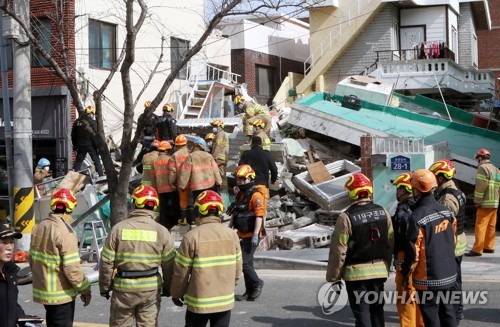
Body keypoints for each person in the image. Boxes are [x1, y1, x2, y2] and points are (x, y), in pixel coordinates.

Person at [99, 185, 175, 327]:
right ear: (155, 205)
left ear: (134, 203)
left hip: (123, 290)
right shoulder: (162, 231)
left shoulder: (118, 229)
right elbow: (169, 265)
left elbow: (106, 262)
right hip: (150, 289)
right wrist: (168, 288)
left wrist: (105, 287)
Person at [326, 172, 393, 327]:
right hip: (379, 272)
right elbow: (390, 243)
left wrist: (334, 277)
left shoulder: (346, 217)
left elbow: (338, 250)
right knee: (377, 310)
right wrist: (385, 267)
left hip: (356, 275)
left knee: (362, 313)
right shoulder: (383, 212)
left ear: (351, 193)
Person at [171, 190, 242, 327]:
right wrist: (229, 288)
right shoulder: (232, 235)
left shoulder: (191, 237)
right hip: (224, 301)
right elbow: (238, 269)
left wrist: (176, 293)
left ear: (199, 211)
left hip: (198, 302)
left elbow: (181, 272)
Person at [402, 169, 457, 327]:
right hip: (448, 274)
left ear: (416, 190)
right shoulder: (446, 211)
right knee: (448, 312)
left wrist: (406, 274)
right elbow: (452, 241)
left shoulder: (417, 217)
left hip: (428, 279)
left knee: (431, 318)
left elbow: (413, 253)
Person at [30, 188, 92, 327]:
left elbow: (32, 260)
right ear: (69, 208)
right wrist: (85, 289)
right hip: (61, 295)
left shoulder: (39, 227)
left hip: (44, 292)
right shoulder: (65, 232)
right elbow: (72, 269)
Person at [429, 160, 467, 323]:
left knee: (452, 282)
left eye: (435, 177)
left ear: (442, 178)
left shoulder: (447, 197)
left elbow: (444, 224)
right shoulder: (456, 191)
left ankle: (455, 314)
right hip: (459, 241)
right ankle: (456, 311)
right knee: (455, 279)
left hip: (453, 244)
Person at [390, 173, 423, 327]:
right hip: (421, 257)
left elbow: (402, 238)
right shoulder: (420, 206)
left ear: (403, 190)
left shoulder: (402, 211)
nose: (397, 192)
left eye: (398, 188)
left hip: (404, 256)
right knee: (419, 295)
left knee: (405, 296)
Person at [229, 165, 265, 301]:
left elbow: (259, 216)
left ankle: (257, 283)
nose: (239, 182)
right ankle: (249, 291)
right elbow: (235, 213)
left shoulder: (256, 195)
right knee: (247, 264)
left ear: (250, 178)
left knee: (244, 263)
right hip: (241, 234)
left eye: (242, 179)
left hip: (252, 235)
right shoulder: (240, 194)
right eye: (238, 179)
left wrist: (256, 234)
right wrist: (229, 230)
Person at [0, 223, 43, 327]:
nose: (9, 247)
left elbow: (10, 304)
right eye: (4, 242)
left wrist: (22, 318)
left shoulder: (10, 272)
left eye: (11, 242)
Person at [178, 137, 222, 224]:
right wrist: (219, 182)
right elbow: (215, 170)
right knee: (209, 202)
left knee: (198, 204)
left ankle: (197, 221)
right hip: (210, 184)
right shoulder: (209, 156)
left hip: (197, 186)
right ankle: (211, 218)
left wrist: (182, 185)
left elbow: (185, 172)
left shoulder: (190, 157)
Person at [466, 148, 499, 256]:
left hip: (485, 203)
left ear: (480, 158)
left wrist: (477, 200)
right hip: (494, 202)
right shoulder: (495, 169)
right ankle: (489, 247)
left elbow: (481, 186)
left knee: (480, 225)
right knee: (491, 225)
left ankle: (477, 249)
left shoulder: (482, 168)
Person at [239, 136, 278, 216]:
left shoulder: (246, 154)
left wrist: (239, 184)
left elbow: (240, 169)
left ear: (252, 144)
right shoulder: (267, 154)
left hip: (249, 186)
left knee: (248, 209)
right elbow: (274, 169)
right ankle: (260, 227)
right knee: (261, 211)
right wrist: (273, 180)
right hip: (262, 186)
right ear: (261, 144)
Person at [71, 105, 104, 177]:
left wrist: (75, 146)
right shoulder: (93, 123)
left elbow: (73, 135)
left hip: (80, 146)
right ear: (91, 113)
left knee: (78, 162)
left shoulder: (77, 122)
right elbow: (96, 136)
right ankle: (101, 175)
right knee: (96, 161)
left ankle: (72, 176)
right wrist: (98, 146)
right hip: (91, 145)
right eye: (93, 114)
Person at [154, 140, 179, 230]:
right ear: (167, 150)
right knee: (175, 206)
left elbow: (154, 174)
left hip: (160, 188)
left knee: (163, 209)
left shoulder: (155, 161)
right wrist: (173, 183)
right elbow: (173, 172)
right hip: (170, 187)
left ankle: (164, 225)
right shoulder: (169, 159)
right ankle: (176, 223)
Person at [168, 134, 191, 226]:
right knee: (192, 200)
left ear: (177, 145)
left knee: (183, 200)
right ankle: (193, 220)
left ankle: (183, 220)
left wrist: (171, 182)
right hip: (192, 180)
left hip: (181, 181)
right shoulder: (190, 153)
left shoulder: (175, 155)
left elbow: (172, 171)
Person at [135, 101, 160, 173]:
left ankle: (142, 166)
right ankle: (141, 166)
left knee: (146, 153)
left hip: (150, 139)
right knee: (146, 152)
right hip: (148, 139)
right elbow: (140, 129)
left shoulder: (153, 117)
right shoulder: (152, 117)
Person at [210, 119, 229, 190]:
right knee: (222, 175)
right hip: (223, 157)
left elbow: (218, 146)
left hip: (218, 158)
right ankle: (224, 190)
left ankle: (218, 189)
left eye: (215, 126)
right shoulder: (223, 134)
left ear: (220, 126)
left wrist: (213, 157)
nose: (214, 128)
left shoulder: (219, 134)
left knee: (211, 172)